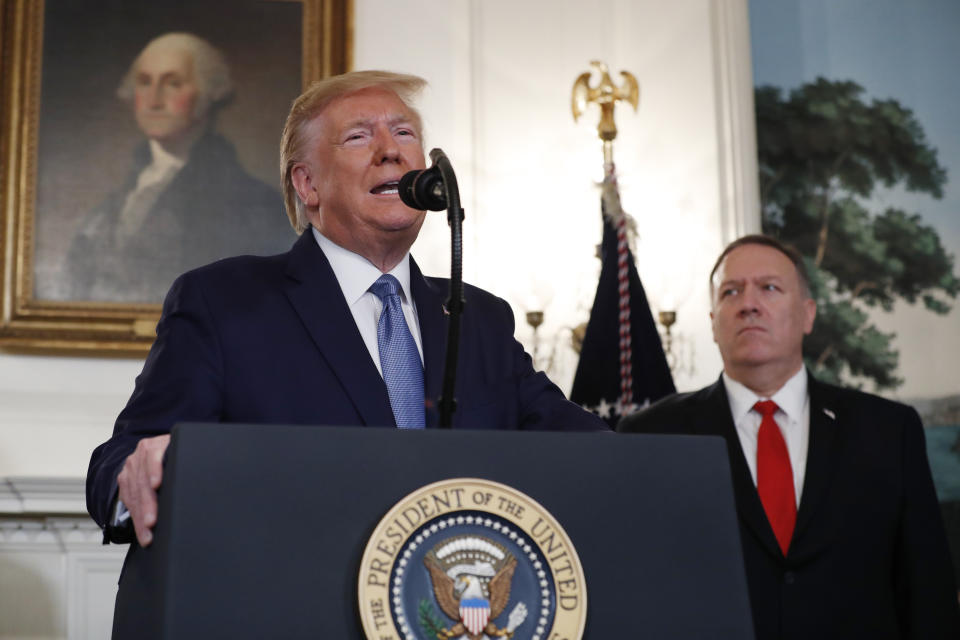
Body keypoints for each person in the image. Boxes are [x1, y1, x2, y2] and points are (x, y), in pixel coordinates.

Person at [86, 70, 608, 550]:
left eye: (405, 134)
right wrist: (137, 472)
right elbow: (122, 459)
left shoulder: (480, 320)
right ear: (307, 185)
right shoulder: (225, 302)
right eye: (359, 136)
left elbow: (595, 453)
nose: (390, 151)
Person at [619, 234, 959, 639]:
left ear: (807, 314)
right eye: (731, 291)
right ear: (713, 323)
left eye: (769, 288)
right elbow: (637, 590)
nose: (748, 303)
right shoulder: (653, 435)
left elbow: (927, 594)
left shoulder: (888, 430)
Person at [65, 32, 292, 302]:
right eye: (144, 82)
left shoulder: (254, 204)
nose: (154, 99)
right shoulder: (115, 201)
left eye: (173, 83)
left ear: (207, 93)